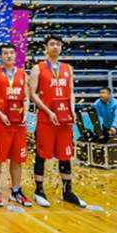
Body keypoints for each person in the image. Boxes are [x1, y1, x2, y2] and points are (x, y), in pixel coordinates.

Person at [30, 34, 86, 208]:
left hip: (64, 119)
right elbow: (32, 94)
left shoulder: (68, 68)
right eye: (52, 44)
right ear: (46, 47)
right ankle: (39, 190)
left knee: (65, 155)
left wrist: (72, 110)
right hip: (46, 119)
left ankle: (68, 191)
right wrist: (47, 111)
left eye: (58, 44)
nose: (55, 47)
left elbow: (71, 92)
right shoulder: (38, 68)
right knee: (41, 154)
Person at [0, 43, 32, 207]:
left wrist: (25, 114)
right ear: (0, 56)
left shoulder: (23, 74)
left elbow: (26, 98)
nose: (9, 56)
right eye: (5, 53)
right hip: (1, 123)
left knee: (17, 158)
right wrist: (0, 114)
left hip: (18, 124)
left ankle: (16, 190)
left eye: (11, 53)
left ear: (15, 55)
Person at [95, 87, 117, 162]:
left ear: (109, 94)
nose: (101, 94)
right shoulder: (97, 103)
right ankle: (107, 159)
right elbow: (97, 115)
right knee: (105, 142)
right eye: (100, 93)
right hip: (106, 125)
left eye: (104, 92)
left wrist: (114, 127)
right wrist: (97, 126)